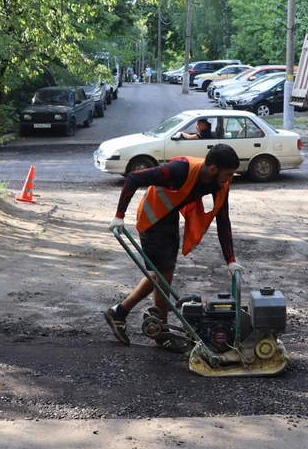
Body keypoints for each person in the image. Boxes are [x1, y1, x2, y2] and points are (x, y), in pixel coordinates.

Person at [103, 144, 244, 346]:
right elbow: (134, 177)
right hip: (152, 216)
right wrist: (119, 216)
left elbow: (223, 220)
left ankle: (121, 313)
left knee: (161, 273)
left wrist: (230, 260)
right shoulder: (179, 169)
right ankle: (160, 329)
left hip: (169, 216)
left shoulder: (219, 184)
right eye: (229, 174)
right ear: (213, 169)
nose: (230, 178)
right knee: (163, 272)